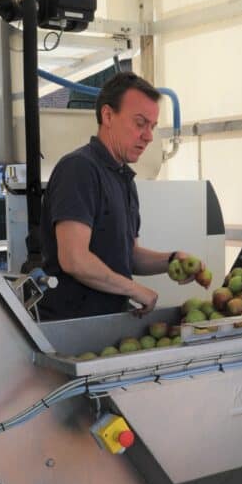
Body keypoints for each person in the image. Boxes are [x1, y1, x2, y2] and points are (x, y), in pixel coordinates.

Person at [38, 72, 199, 322]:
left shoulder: (123, 178)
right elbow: (73, 259)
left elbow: (128, 255)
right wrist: (134, 289)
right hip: (73, 327)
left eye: (152, 127)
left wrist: (170, 260)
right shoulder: (79, 169)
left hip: (108, 324)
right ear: (108, 115)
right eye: (139, 123)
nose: (148, 136)